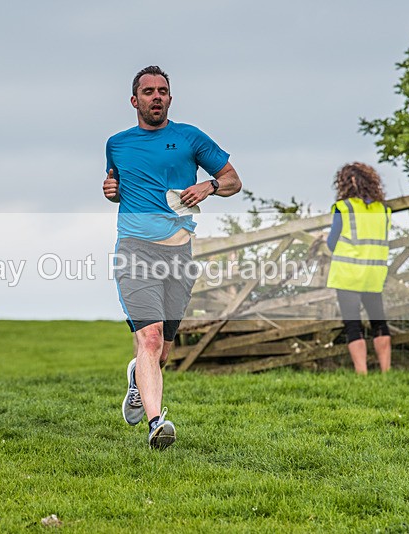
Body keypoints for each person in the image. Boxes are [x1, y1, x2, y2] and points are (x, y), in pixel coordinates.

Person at [103, 66, 242, 449]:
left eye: (162, 90)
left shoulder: (189, 138)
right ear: (135, 101)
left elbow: (234, 180)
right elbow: (118, 187)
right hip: (134, 250)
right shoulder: (117, 143)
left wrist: (209, 185)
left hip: (179, 254)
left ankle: (137, 381)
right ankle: (156, 424)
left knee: (162, 350)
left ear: (170, 97)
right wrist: (111, 190)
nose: (156, 96)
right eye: (148, 92)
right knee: (148, 338)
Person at [326, 162, 392, 374]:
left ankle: (362, 373)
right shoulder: (383, 210)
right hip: (374, 274)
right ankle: (386, 371)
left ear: (347, 182)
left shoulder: (344, 208)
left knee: (353, 324)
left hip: (348, 274)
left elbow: (332, 242)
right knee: (379, 322)